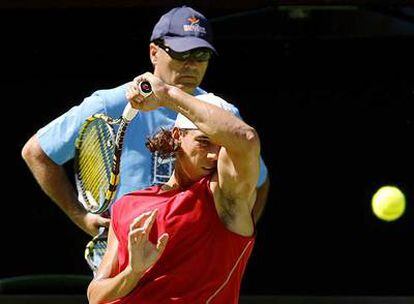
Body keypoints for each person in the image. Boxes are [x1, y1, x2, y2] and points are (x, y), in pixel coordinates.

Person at [21, 5, 269, 260]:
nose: (192, 64)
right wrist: (81, 216)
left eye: (201, 54)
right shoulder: (111, 104)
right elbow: (36, 152)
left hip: (191, 265)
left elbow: (259, 183)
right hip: (122, 262)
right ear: (154, 53)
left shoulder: (220, 113)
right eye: (181, 53)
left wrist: (234, 240)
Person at [88, 72, 260, 303]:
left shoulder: (226, 196)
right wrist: (133, 272)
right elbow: (95, 295)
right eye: (203, 141)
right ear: (178, 135)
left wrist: (167, 94)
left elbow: (246, 138)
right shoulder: (127, 204)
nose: (212, 155)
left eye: (221, 147)